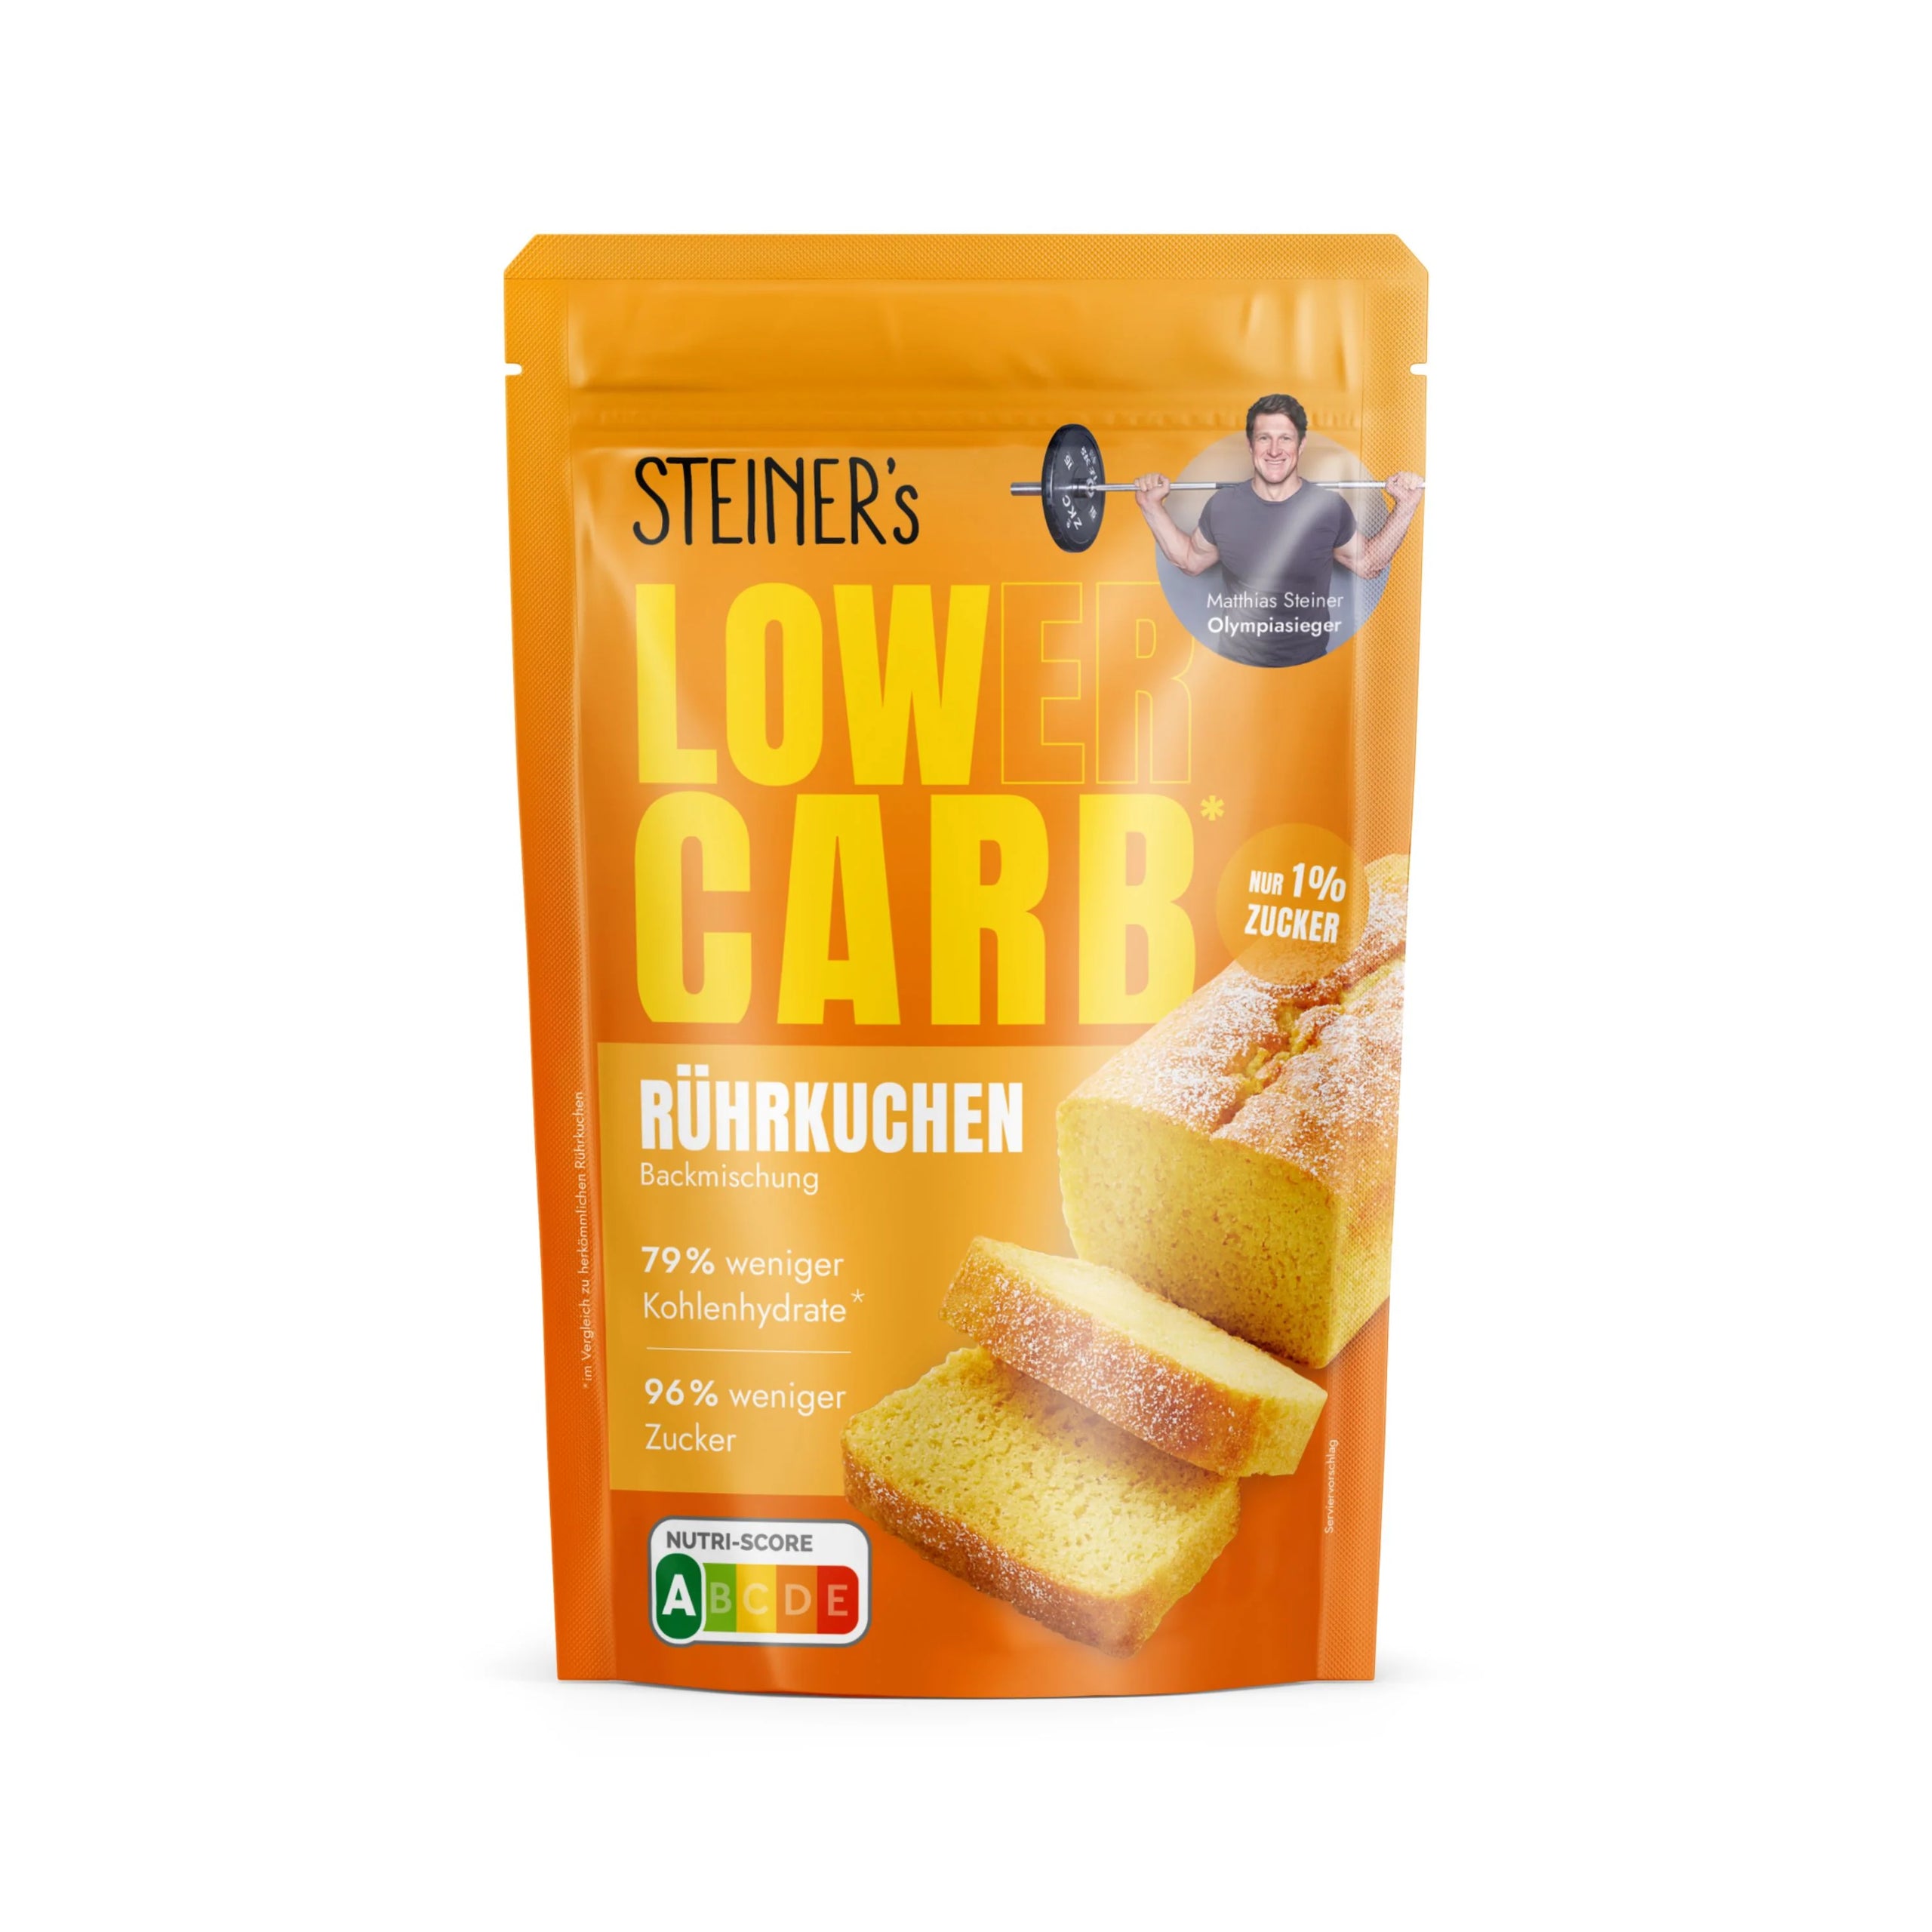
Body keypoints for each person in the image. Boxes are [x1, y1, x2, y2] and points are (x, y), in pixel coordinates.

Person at [1134, 392, 1424, 667]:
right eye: (1264, 438)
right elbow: (1190, 561)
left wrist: (1406, 505)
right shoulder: (1222, 506)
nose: (1274, 450)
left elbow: (1369, 564)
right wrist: (1151, 506)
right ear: (1250, 445)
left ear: (1301, 444)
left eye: (1285, 438)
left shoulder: (1329, 508)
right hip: (1236, 668)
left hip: (1309, 669)